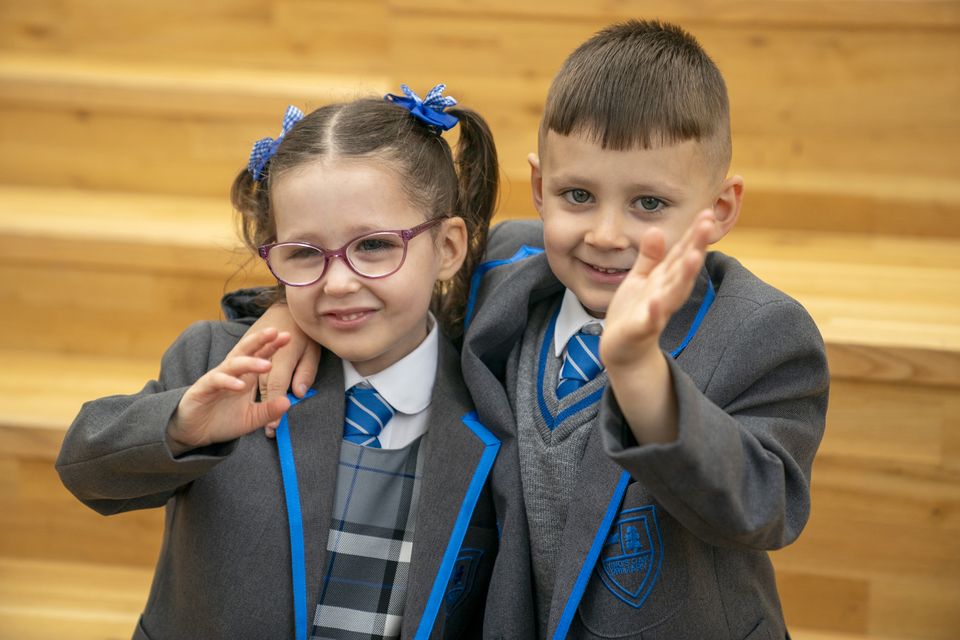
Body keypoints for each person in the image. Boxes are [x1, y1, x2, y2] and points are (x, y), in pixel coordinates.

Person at [231, 20, 830, 639]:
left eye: (649, 203)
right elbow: (379, 289)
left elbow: (765, 508)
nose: (605, 233)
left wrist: (641, 375)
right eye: (577, 195)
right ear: (540, 188)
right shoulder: (506, 270)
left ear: (719, 209)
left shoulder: (761, 332)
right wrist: (289, 312)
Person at [56, 84, 507, 640]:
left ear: (449, 248)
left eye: (374, 246)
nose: (338, 283)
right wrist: (179, 427)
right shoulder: (221, 364)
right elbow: (88, 471)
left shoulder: (494, 397)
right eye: (304, 254)